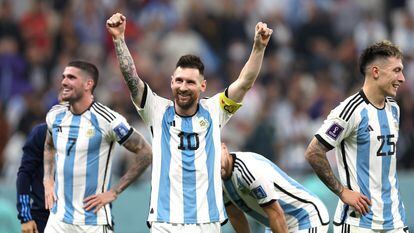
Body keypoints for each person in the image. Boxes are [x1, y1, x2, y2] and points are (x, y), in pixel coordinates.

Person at [106, 12, 272, 233]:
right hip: (165, 222)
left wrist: (258, 48)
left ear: (202, 86)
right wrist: (119, 40)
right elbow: (132, 80)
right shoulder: (156, 110)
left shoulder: (215, 110)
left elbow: (244, 83)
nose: (183, 87)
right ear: (172, 81)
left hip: (206, 221)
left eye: (191, 82)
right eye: (179, 81)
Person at [305, 40, 409, 233]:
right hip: (358, 222)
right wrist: (342, 192)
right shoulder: (350, 111)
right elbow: (313, 151)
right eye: (396, 70)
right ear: (376, 72)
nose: (402, 78)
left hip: (395, 219)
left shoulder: (394, 108)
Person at [43, 60, 152, 233]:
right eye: (64, 77)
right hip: (58, 220)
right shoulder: (55, 115)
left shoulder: (108, 120)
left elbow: (146, 153)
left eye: (71, 77)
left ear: (88, 84)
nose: (64, 81)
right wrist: (47, 179)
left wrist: (114, 191)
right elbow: (49, 146)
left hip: (92, 222)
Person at [220, 143, 329, 233]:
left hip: (305, 217)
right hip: (275, 223)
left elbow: (275, 213)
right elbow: (235, 215)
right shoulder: (216, 179)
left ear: (224, 147)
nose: (215, 162)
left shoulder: (248, 168)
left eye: (216, 154)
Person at [16, 123, 49, 233]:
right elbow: (24, 173)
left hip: (77, 217)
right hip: (42, 216)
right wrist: (25, 217)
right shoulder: (42, 132)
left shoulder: (88, 133)